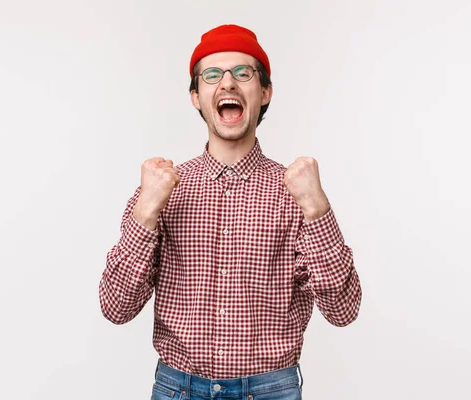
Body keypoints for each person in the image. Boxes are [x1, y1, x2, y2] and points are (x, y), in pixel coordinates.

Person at [99, 24, 362, 400]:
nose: (228, 84)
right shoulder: (161, 191)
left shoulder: (297, 193)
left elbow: (344, 309)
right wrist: (145, 211)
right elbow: (115, 306)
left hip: (271, 390)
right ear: (196, 96)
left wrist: (318, 209)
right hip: (178, 389)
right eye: (212, 75)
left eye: (243, 73)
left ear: (265, 91)